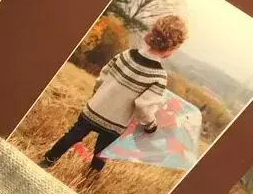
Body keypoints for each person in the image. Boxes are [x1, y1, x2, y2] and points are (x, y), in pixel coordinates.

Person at [41, 14, 189, 172]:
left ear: (152, 35)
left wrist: (97, 95)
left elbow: (102, 78)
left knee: (72, 135)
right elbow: (143, 107)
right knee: (101, 154)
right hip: (116, 123)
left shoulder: (126, 55)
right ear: (171, 49)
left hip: (95, 108)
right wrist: (150, 125)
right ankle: (89, 178)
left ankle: (48, 160)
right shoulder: (158, 76)